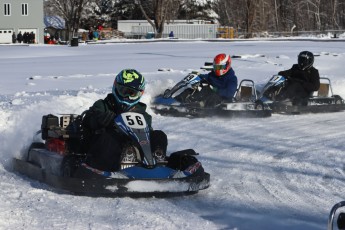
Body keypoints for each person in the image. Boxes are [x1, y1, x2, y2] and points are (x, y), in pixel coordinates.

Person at [81, 69, 167, 172]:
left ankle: (157, 160)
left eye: (132, 93)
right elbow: (87, 121)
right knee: (109, 138)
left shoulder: (143, 115)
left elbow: (147, 138)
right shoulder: (102, 105)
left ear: (139, 94)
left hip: (138, 150)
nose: (127, 97)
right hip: (102, 153)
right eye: (123, 91)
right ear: (116, 87)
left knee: (159, 135)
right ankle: (125, 158)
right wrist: (100, 119)